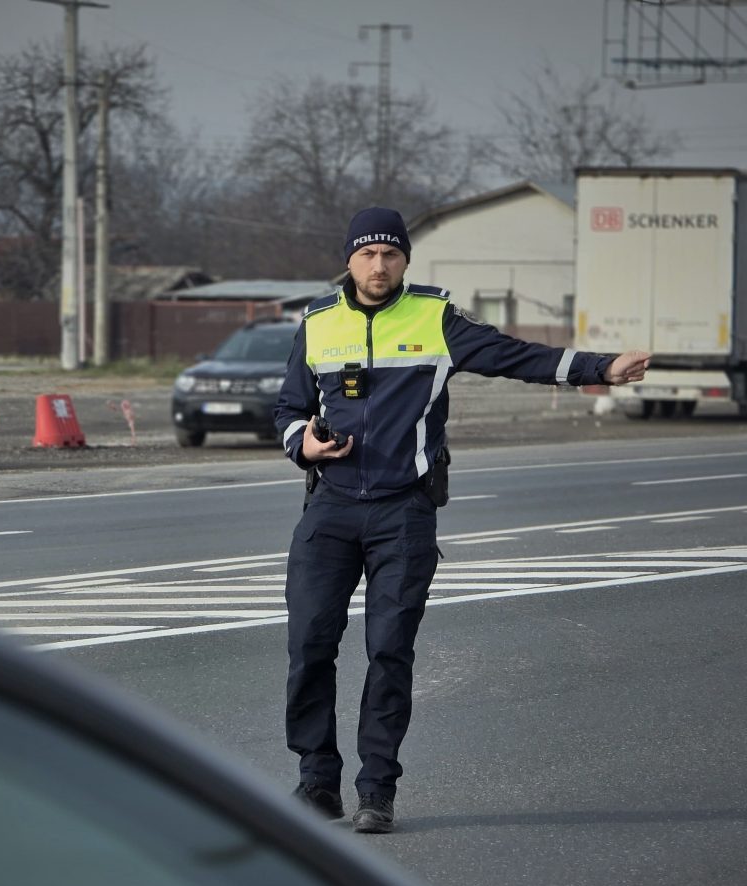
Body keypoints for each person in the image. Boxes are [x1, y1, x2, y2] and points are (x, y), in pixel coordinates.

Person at [274, 206, 650, 834]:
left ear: (404, 260)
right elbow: (288, 408)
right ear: (348, 260)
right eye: (366, 254)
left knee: (389, 651)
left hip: (404, 511)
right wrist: (303, 444)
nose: (378, 264)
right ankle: (316, 783)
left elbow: (515, 356)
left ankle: (376, 791)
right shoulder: (316, 324)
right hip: (331, 509)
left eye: (390, 254)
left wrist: (600, 368)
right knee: (309, 646)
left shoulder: (434, 317)